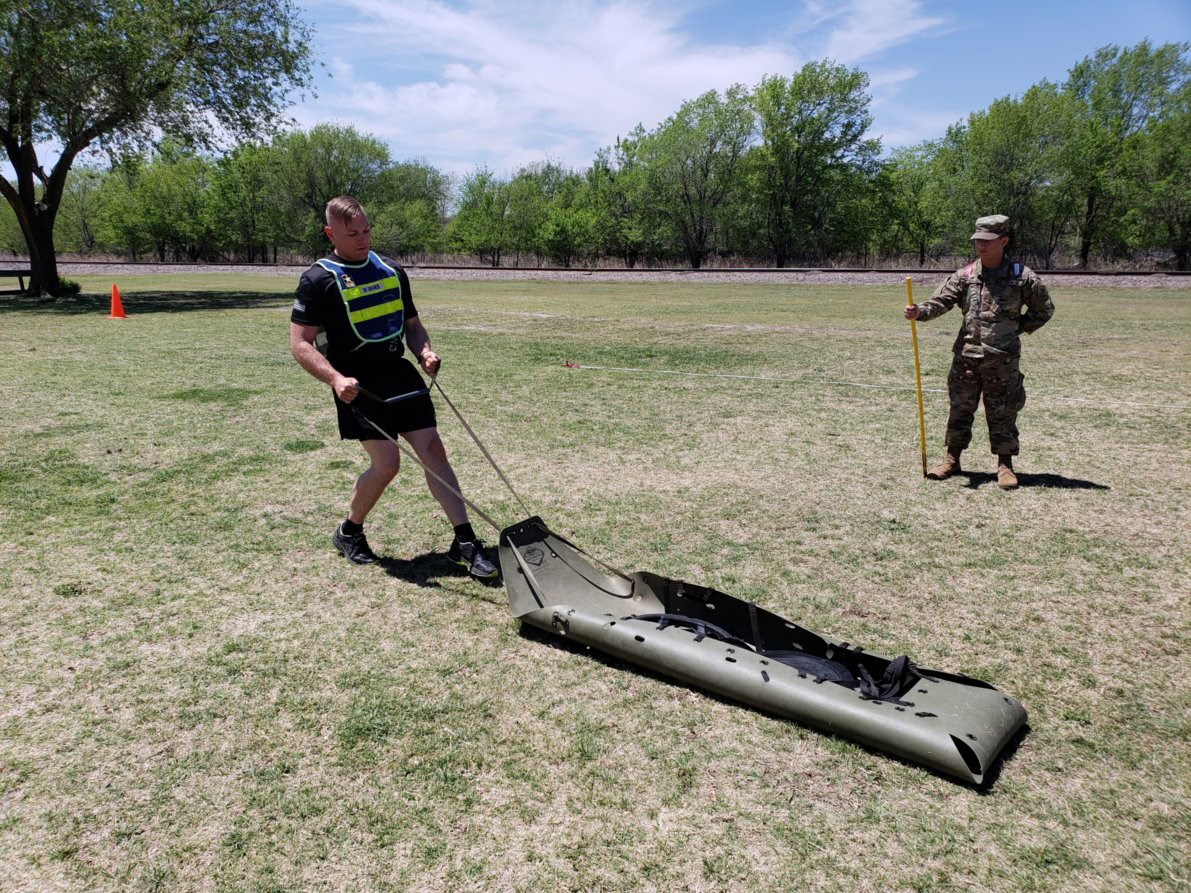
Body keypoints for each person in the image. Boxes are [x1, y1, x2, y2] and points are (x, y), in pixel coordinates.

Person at [290, 195, 499, 577]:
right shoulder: (317, 280)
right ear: (330, 232)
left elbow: (412, 325)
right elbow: (299, 343)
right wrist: (335, 379)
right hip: (357, 383)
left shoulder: (391, 270)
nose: (363, 238)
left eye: (367, 229)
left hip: (399, 372)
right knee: (387, 464)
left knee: (435, 451)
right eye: (352, 233)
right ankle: (349, 531)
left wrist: (425, 352)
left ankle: (464, 541)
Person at [903, 214, 1054, 490]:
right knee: (960, 408)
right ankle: (952, 459)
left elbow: (1044, 310)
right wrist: (919, 312)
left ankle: (1005, 465)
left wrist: (1014, 328)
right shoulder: (965, 276)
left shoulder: (1023, 277)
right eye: (978, 241)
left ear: (1003, 241)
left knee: (1003, 411)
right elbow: (940, 301)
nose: (981, 246)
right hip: (967, 359)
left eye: (987, 240)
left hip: (1003, 359)